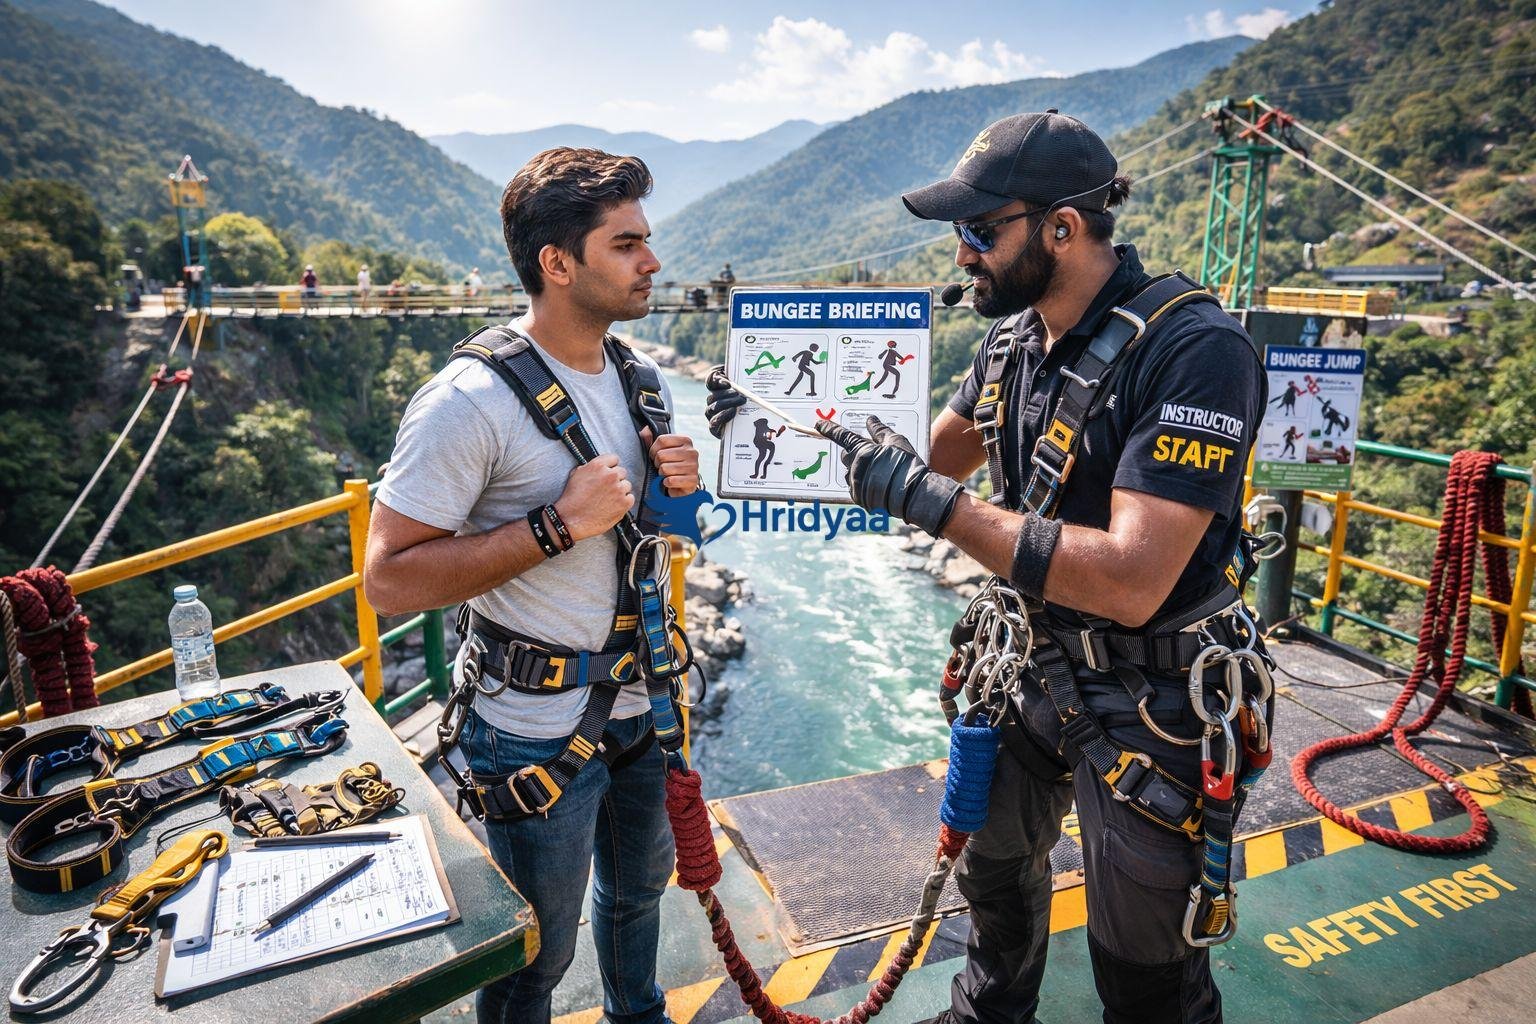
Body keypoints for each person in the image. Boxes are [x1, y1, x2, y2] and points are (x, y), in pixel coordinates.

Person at [709, 111, 1268, 1024]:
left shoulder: (1193, 352)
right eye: (959, 234)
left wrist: (934, 506)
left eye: (980, 231)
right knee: (995, 874)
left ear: (1063, 227)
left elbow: (1132, 579)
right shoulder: (1015, 344)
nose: (963, 254)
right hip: (1038, 663)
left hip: (1155, 695)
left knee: (1141, 961)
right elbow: (926, 463)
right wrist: (773, 420)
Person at [365, 147, 698, 1024]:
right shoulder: (467, 402)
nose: (652, 262)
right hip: (532, 734)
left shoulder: (639, 379)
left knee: (636, 902)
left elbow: (644, 540)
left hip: (641, 709)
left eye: (646, 241)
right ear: (558, 263)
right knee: (533, 959)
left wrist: (671, 498)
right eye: (626, 244)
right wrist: (554, 525)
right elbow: (389, 581)